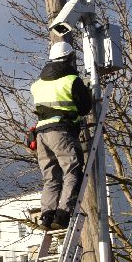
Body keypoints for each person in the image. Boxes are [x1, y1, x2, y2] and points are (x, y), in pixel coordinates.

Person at [29, 39, 93, 231]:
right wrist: (87, 92)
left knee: (51, 177)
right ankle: (63, 215)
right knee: (72, 171)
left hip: (41, 134)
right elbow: (84, 108)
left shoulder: (37, 84)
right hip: (61, 132)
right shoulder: (72, 81)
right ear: (70, 58)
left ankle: (47, 216)